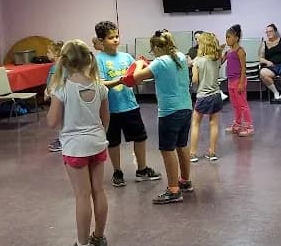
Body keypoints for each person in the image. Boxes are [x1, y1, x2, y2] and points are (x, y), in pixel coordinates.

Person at [47, 39, 110, 246]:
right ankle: (99, 239)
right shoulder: (99, 86)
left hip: (75, 148)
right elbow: (105, 119)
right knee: (98, 191)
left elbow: (52, 122)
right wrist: (98, 136)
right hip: (98, 144)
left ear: (64, 61)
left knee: (82, 195)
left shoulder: (61, 89)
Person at [121, 31, 193, 205]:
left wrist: (139, 63)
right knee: (181, 146)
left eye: (152, 50)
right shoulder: (181, 56)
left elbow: (134, 79)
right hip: (186, 108)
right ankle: (184, 181)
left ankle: (173, 190)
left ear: (156, 47)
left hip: (170, 112)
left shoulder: (160, 62)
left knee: (167, 150)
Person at [94, 21, 159, 187]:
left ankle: (142, 169)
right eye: (110, 38)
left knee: (140, 137)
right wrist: (120, 80)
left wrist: (145, 71)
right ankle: (117, 171)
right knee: (113, 141)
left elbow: (135, 77)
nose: (115, 40)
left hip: (130, 106)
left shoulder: (126, 57)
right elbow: (100, 83)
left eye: (117, 36)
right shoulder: (98, 60)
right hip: (111, 109)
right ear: (101, 40)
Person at [190, 32, 223, 161]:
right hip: (216, 95)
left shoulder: (197, 61)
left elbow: (195, 80)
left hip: (203, 96)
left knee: (196, 124)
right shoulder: (217, 59)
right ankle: (212, 152)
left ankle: (192, 153)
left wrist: (193, 71)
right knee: (214, 124)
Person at [224, 24, 253, 137]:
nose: (227, 39)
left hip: (238, 81)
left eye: (229, 37)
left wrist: (241, 83)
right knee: (235, 105)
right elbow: (221, 61)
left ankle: (248, 126)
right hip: (230, 81)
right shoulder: (229, 51)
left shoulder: (240, 51)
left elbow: (243, 68)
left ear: (236, 37)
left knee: (242, 104)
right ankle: (237, 124)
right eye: (226, 37)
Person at [45, 41, 64, 152]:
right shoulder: (64, 66)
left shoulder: (55, 68)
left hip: (57, 97)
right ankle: (63, 139)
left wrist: (47, 92)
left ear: (56, 53)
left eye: (49, 52)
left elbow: (52, 83)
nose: (47, 54)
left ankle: (62, 141)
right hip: (63, 97)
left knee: (61, 120)